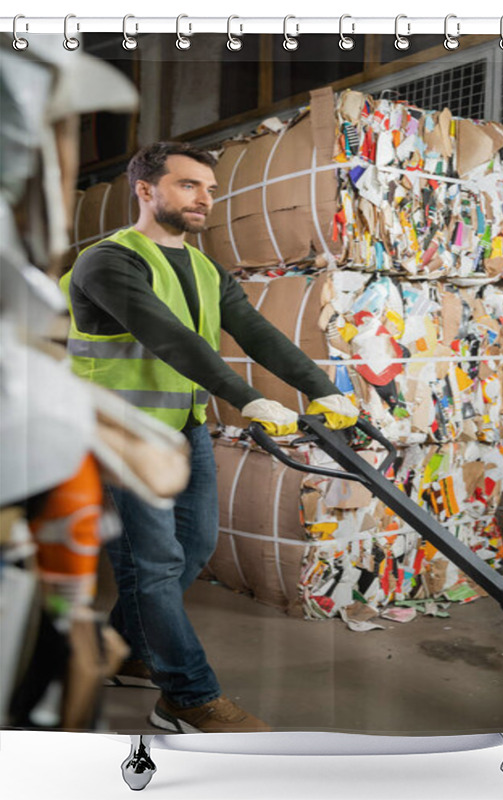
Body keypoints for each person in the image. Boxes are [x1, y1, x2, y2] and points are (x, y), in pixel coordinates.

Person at [60, 141, 358, 733]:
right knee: (156, 565)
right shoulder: (108, 262)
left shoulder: (203, 268)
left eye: (211, 189)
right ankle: (189, 699)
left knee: (192, 549)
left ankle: (122, 649)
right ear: (145, 190)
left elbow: (255, 331)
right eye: (189, 185)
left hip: (184, 427)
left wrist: (322, 388)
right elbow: (171, 338)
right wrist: (248, 398)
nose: (205, 199)